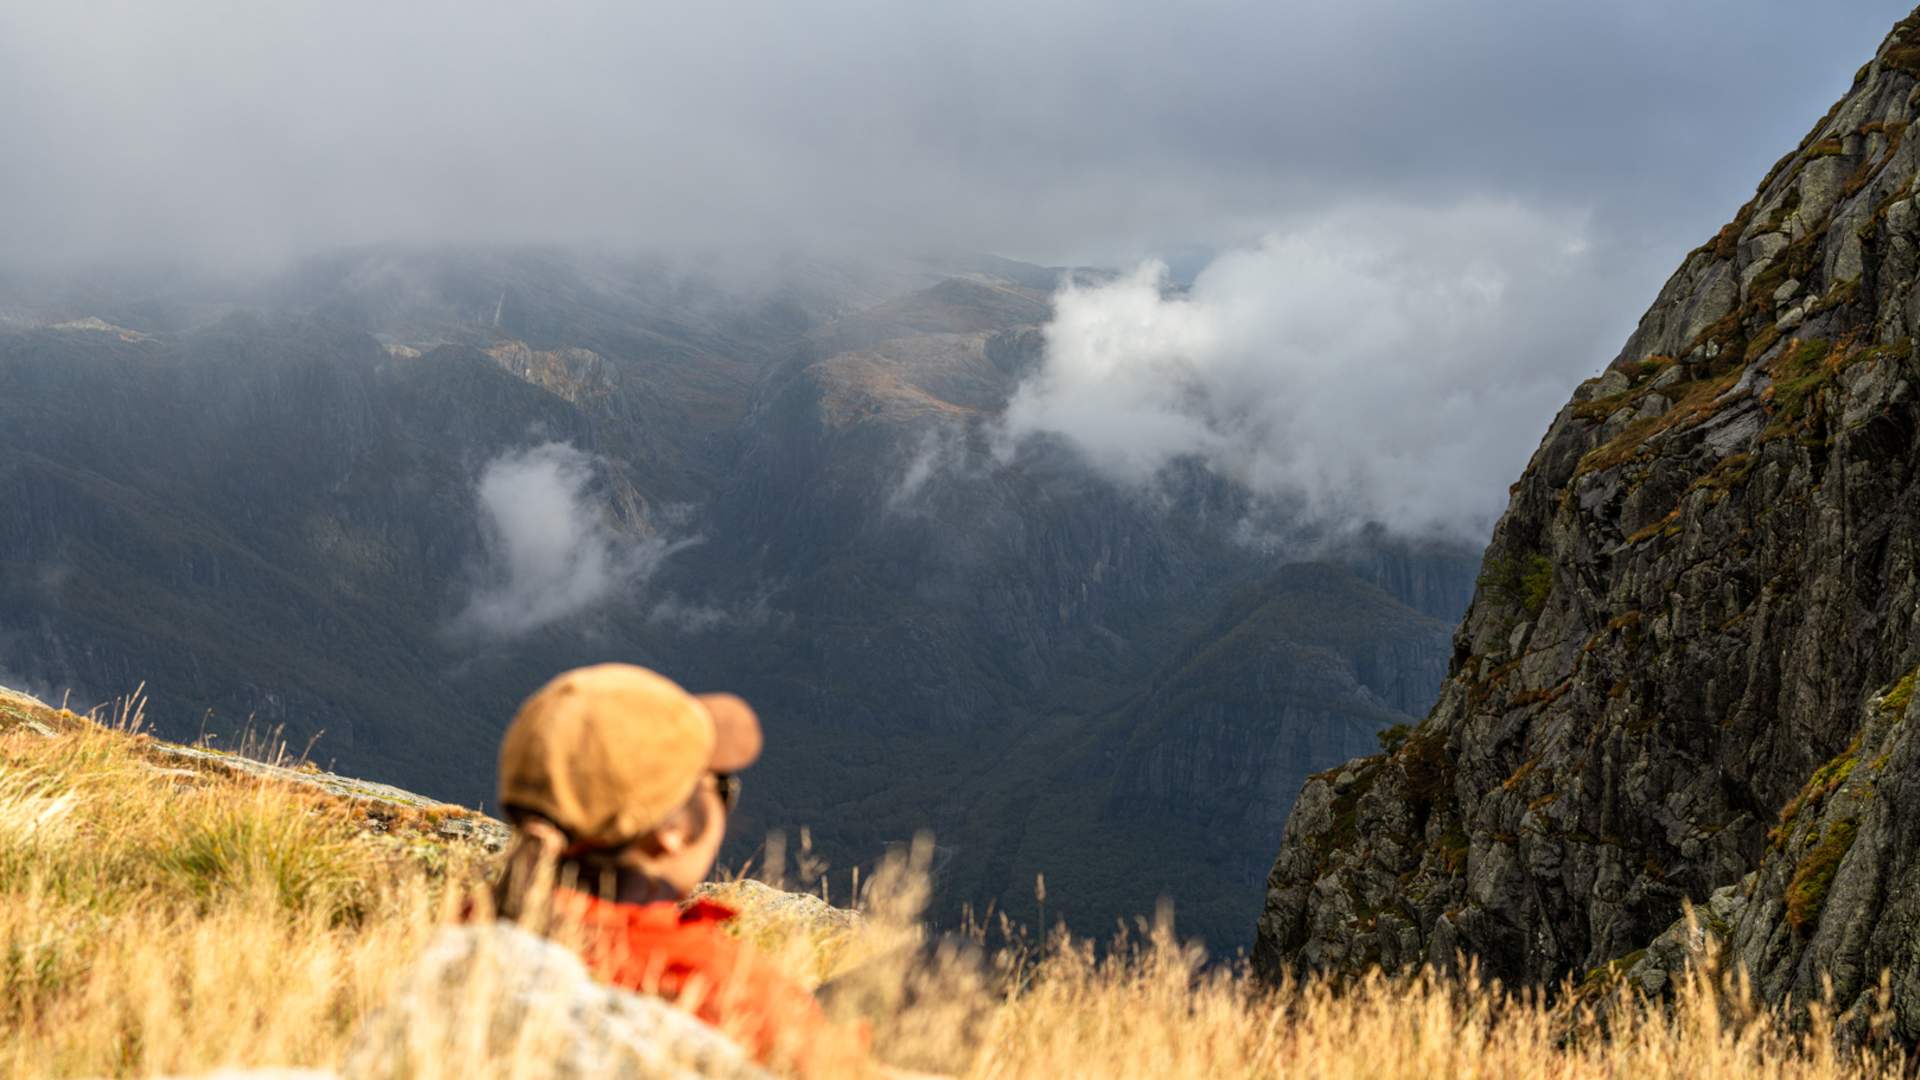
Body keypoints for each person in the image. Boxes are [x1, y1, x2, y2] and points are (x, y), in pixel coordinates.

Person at [480, 663, 864, 1077]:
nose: (726, 800)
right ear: (674, 829)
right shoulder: (712, 980)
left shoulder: (480, 931)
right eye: (721, 788)